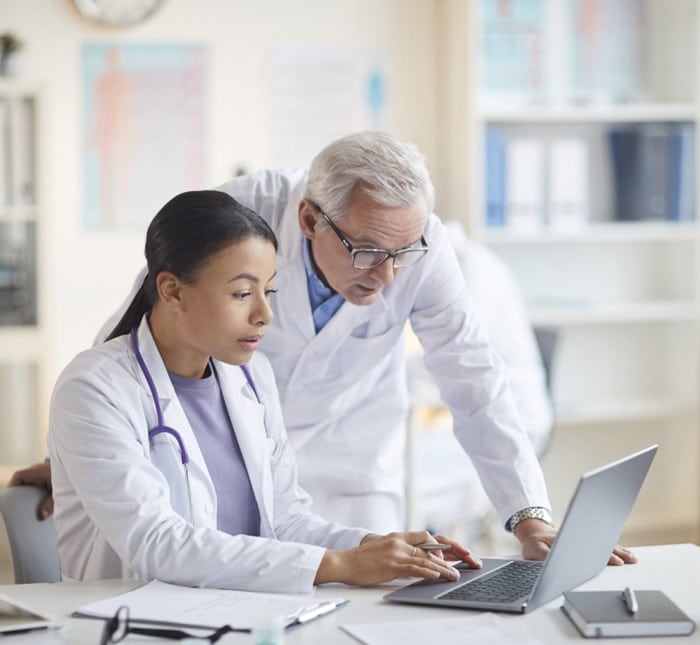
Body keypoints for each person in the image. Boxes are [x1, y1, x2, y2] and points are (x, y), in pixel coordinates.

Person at [14, 131, 636, 565]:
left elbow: (473, 379)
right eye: (367, 251)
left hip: (350, 464)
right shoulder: (245, 216)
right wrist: (83, 452)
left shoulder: (417, 245)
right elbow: (144, 318)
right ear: (310, 219)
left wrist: (529, 515)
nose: (388, 275)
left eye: (403, 253)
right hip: (232, 451)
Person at [46, 189, 476, 592]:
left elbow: (283, 518)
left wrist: (373, 547)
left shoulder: (251, 377)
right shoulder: (94, 388)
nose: (264, 314)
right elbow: (157, 543)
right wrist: (339, 566)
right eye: (241, 293)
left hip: (236, 612)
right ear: (172, 291)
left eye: (268, 291)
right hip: (126, 621)